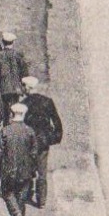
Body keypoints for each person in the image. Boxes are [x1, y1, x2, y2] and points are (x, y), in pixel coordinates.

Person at [0, 103, 39, 216]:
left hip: (8, 170)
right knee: (21, 196)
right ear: (24, 115)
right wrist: (34, 169)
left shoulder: (5, 131)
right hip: (25, 171)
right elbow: (34, 153)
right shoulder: (30, 131)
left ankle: (16, 214)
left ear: (12, 115)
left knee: (7, 193)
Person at [21, 77, 64, 207]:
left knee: (27, 168)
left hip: (28, 142)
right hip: (43, 142)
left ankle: (27, 193)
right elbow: (57, 122)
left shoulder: (23, 104)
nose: (22, 89)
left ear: (28, 88)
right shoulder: (47, 101)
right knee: (42, 171)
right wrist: (55, 138)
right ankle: (41, 200)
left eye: (23, 86)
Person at [0, 32, 29, 108]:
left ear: (3, 42)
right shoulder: (18, 55)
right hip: (16, 87)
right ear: (13, 42)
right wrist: (23, 86)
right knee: (15, 108)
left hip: (3, 87)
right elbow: (25, 72)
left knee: (5, 109)